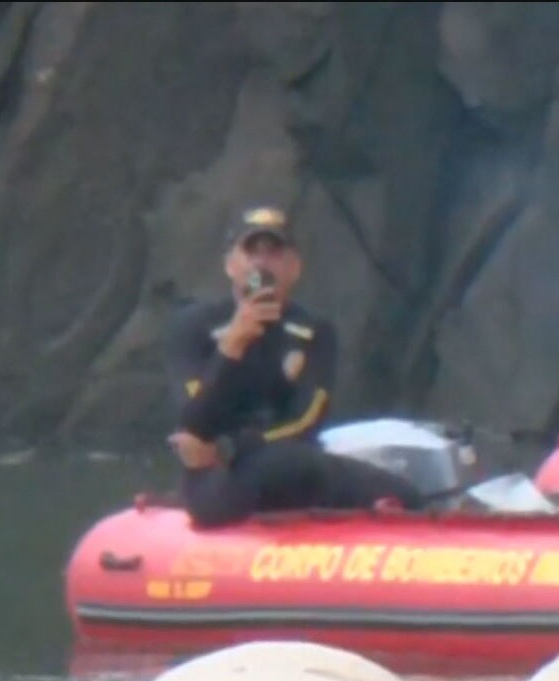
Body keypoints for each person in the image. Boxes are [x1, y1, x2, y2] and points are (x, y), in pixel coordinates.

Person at [163, 204, 425, 527]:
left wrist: (236, 446)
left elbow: (308, 417)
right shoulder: (195, 327)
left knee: (406, 493)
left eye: (273, 253)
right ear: (231, 265)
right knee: (269, 466)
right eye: (251, 252)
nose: (262, 264)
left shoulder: (314, 331)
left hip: (289, 464)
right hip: (217, 476)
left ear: (294, 267)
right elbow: (194, 420)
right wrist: (233, 346)